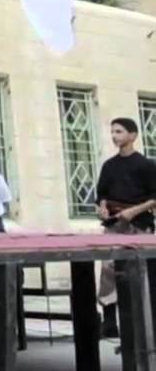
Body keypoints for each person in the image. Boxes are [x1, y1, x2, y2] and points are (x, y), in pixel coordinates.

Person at [95, 117, 156, 337]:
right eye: (112, 132)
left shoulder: (146, 165)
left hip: (139, 223)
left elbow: (154, 196)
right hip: (113, 224)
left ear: (132, 135)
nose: (114, 136)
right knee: (108, 269)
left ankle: (146, 321)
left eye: (119, 131)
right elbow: (101, 193)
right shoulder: (109, 166)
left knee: (142, 271)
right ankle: (110, 320)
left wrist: (134, 211)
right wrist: (103, 207)